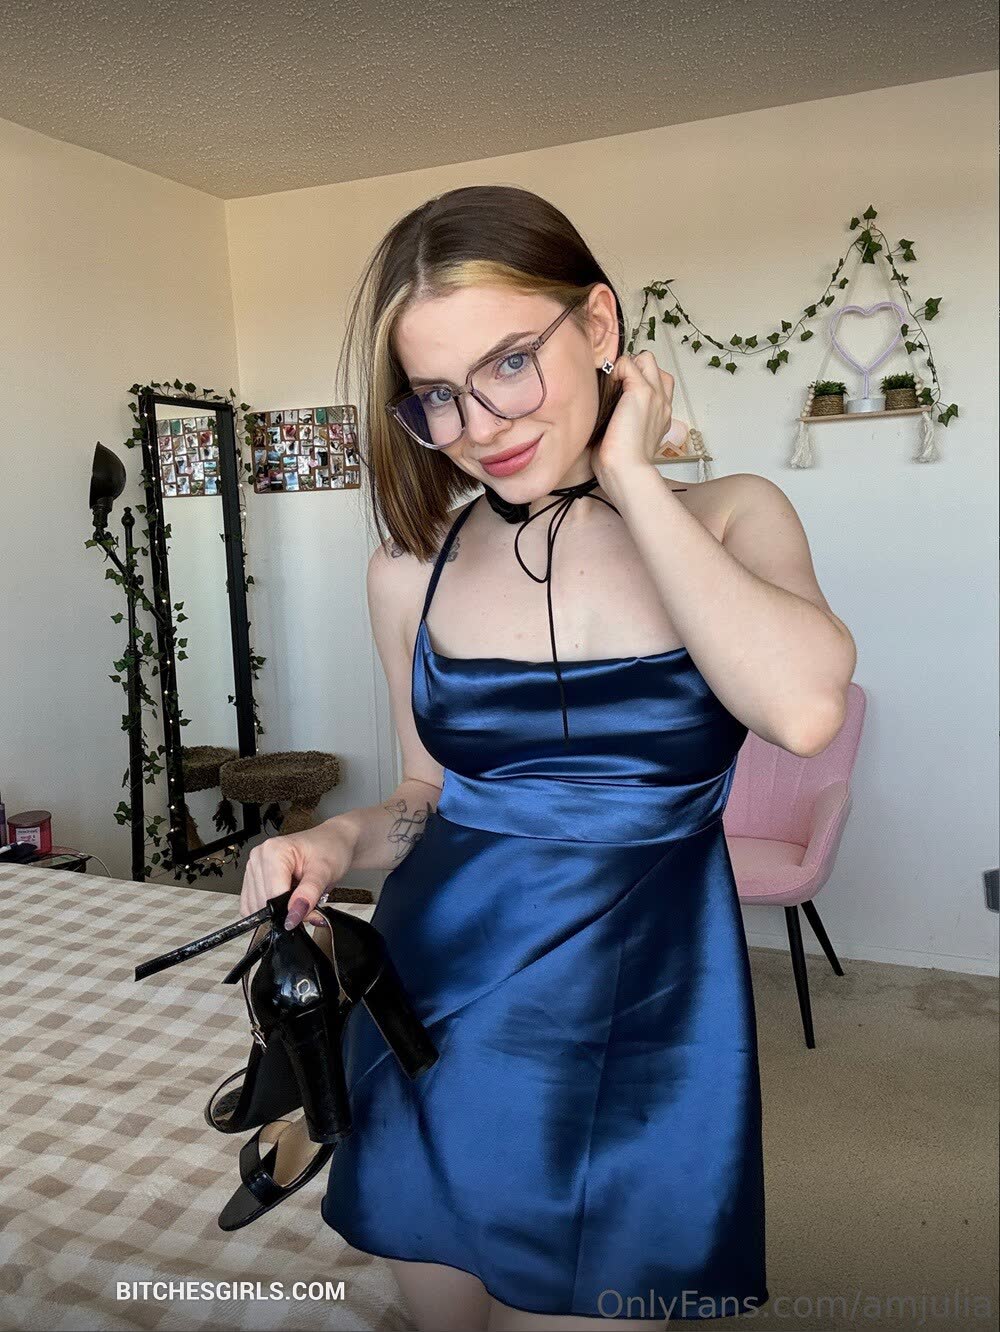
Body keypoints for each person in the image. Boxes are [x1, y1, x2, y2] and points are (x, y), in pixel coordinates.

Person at [239, 185, 856, 1329]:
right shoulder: (409, 567)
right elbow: (425, 798)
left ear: (601, 325)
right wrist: (328, 840)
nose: (479, 426)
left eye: (511, 363)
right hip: (430, 1006)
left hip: (643, 1015)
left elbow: (805, 709)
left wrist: (633, 476)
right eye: (437, 395)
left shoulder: (729, 519)